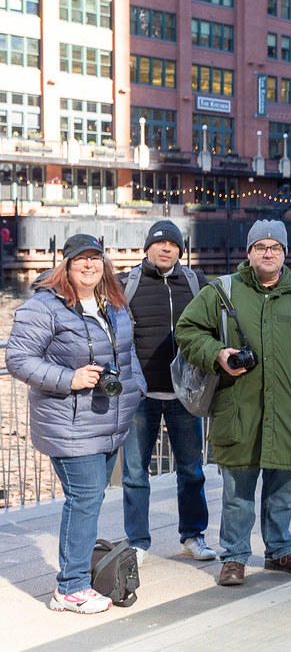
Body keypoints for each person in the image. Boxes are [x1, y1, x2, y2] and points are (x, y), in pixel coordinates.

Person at [175, 220, 291, 587]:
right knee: (237, 494)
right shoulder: (221, 291)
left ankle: (280, 550)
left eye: (275, 248)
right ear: (248, 253)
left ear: (284, 254)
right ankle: (234, 557)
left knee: (283, 492)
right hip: (240, 411)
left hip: (288, 413)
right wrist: (216, 353)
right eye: (261, 247)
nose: (269, 253)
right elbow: (186, 331)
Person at [6, 234, 145, 614]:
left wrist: (137, 388)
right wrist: (69, 378)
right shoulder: (44, 306)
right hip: (70, 423)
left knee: (91, 498)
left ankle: (77, 574)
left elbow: (128, 350)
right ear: (65, 265)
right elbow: (18, 358)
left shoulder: (112, 303)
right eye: (80, 259)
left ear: (104, 265)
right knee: (84, 499)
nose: (89, 266)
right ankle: (69, 588)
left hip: (110, 421)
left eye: (95, 259)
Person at [119, 220, 216, 565]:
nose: (166, 249)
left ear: (180, 251)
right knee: (134, 473)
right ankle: (138, 542)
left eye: (173, 245)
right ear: (147, 248)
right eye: (160, 244)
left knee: (191, 470)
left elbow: (215, 323)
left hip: (185, 396)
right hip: (141, 397)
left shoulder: (195, 282)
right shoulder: (126, 284)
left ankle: (192, 536)